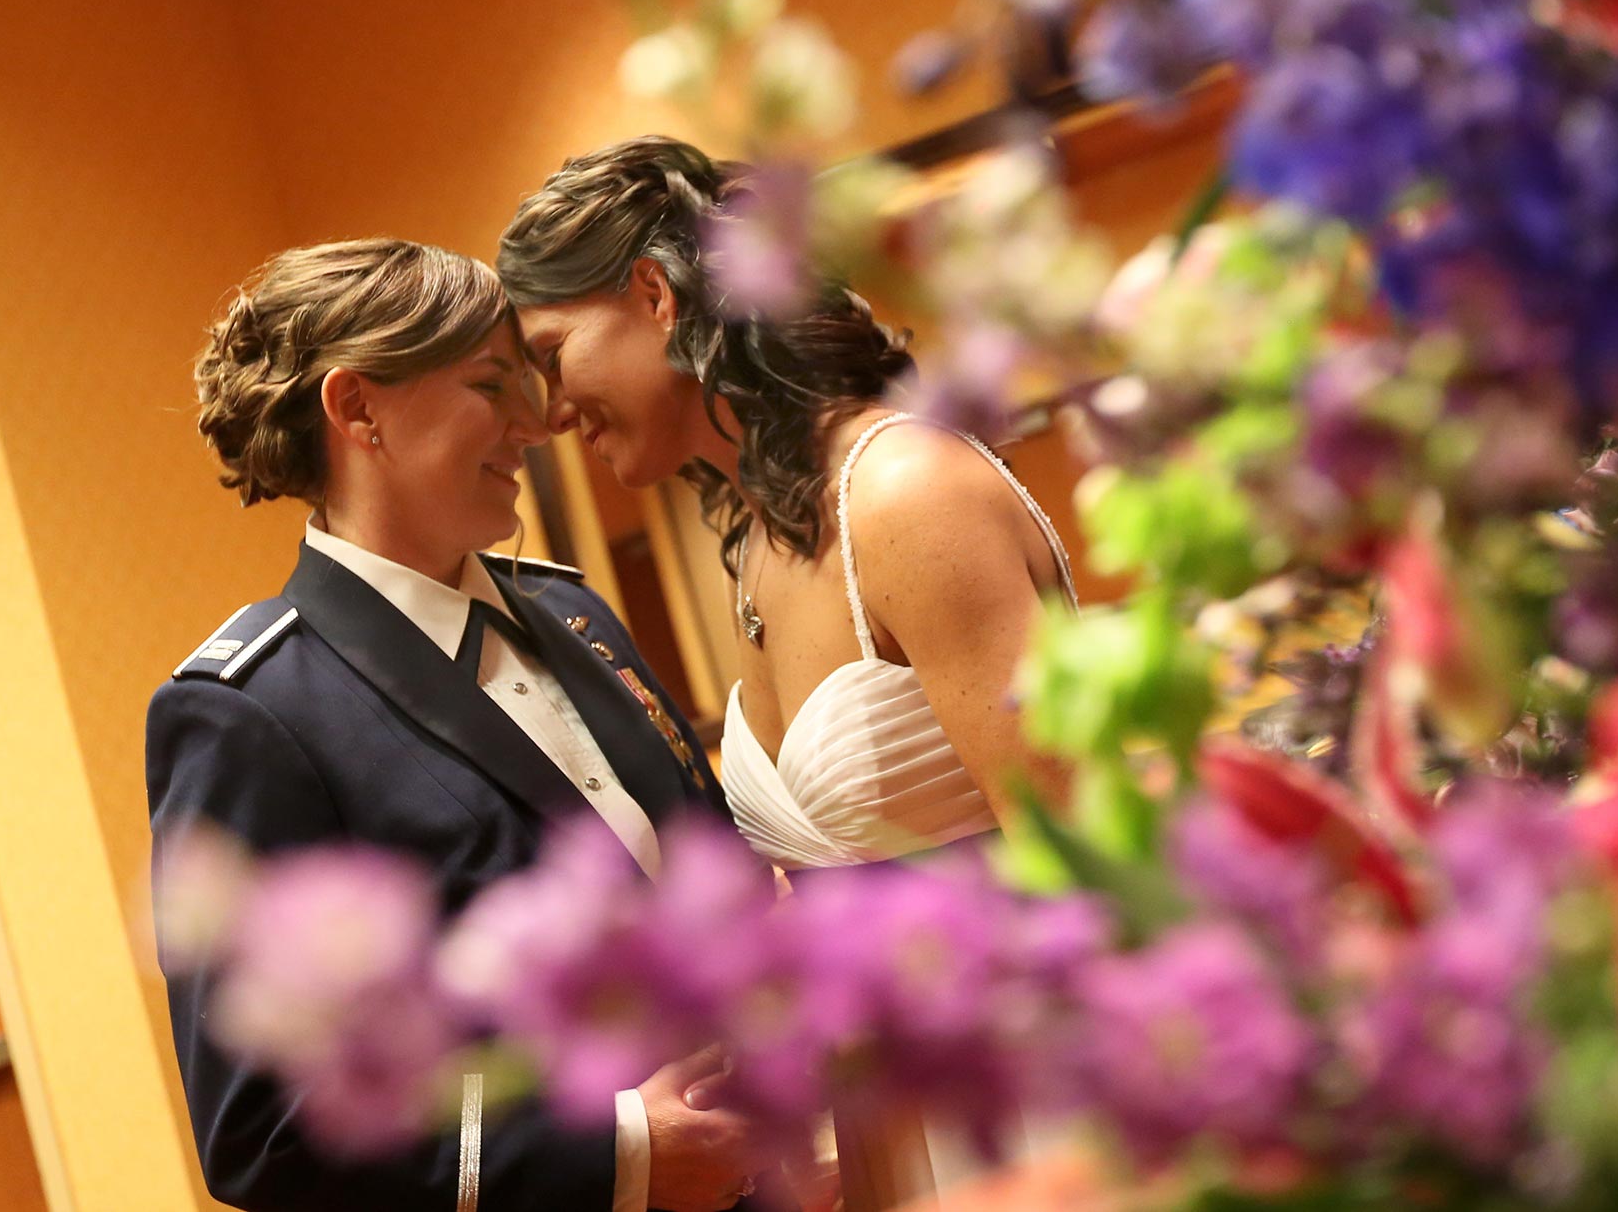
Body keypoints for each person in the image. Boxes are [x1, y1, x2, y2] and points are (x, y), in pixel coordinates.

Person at [499, 138, 1078, 1209]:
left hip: (1034, 1114)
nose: (549, 412)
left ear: (655, 296)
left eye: (553, 351)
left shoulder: (903, 493)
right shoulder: (763, 538)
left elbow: (1082, 866)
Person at [146, 238, 760, 1212]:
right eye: (490, 386)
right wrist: (621, 1153)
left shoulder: (572, 614)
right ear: (357, 410)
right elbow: (263, 1133)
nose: (536, 422)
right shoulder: (249, 710)